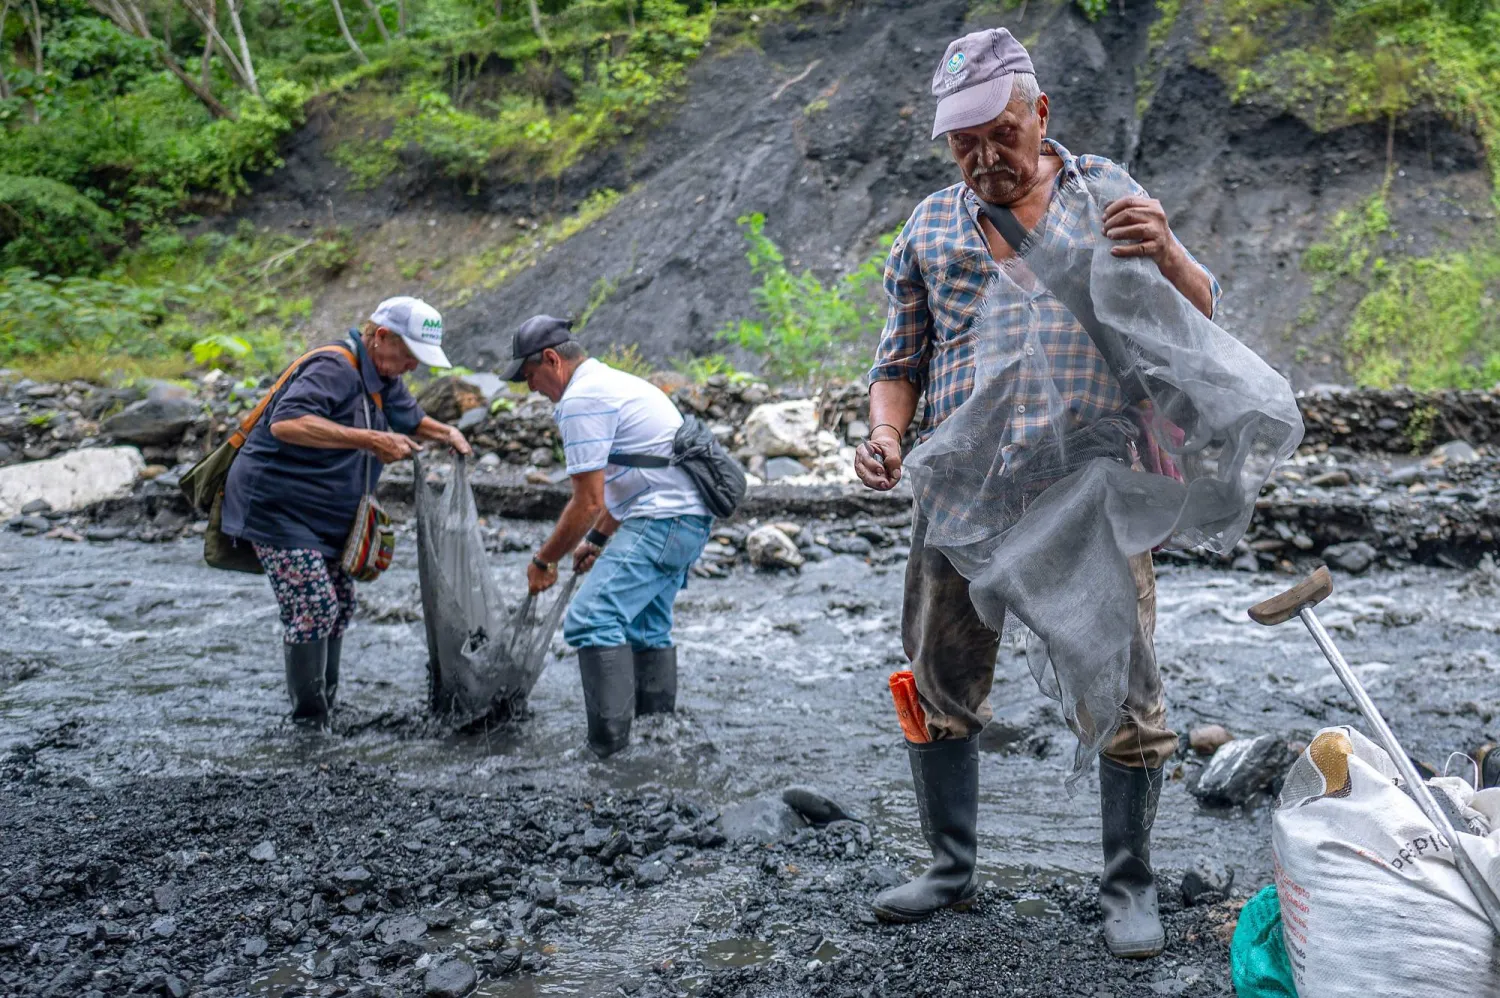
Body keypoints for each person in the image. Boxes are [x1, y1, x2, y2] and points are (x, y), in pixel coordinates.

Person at [853, 28, 1221, 958]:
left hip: (1091, 483)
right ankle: (949, 866)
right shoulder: (929, 227)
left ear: (1041, 114)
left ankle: (1128, 884)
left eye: (1000, 134)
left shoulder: (1109, 195)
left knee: (1126, 684)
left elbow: (1203, 318)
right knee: (941, 672)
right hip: (960, 487)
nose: (984, 158)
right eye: (963, 142)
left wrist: (1169, 253)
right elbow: (898, 361)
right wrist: (887, 434)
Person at [223, 296, 472, 729]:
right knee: (313, 606)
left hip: (326, 513)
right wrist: (371, 440)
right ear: (381, 337)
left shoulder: (383, 374)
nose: (414, 367)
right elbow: (287, 423)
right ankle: (309, 722)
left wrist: (446, 432)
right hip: (278, 508)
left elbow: (408, 417)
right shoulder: (334, 367)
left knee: (338, 602)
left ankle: (327, 705)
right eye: (410, 355)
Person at [501, 315, 711, 758]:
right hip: (687, 518)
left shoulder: (582, 399)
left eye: (529, 377)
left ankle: (606, 752)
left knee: (590, 620)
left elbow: (587, 502)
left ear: (552, 360)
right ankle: (656, 738)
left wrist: (544, 561)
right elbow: (631, 478)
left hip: (664, 519)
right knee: (645, 626)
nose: (530, 389)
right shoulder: (611, 382)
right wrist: (595, 541)